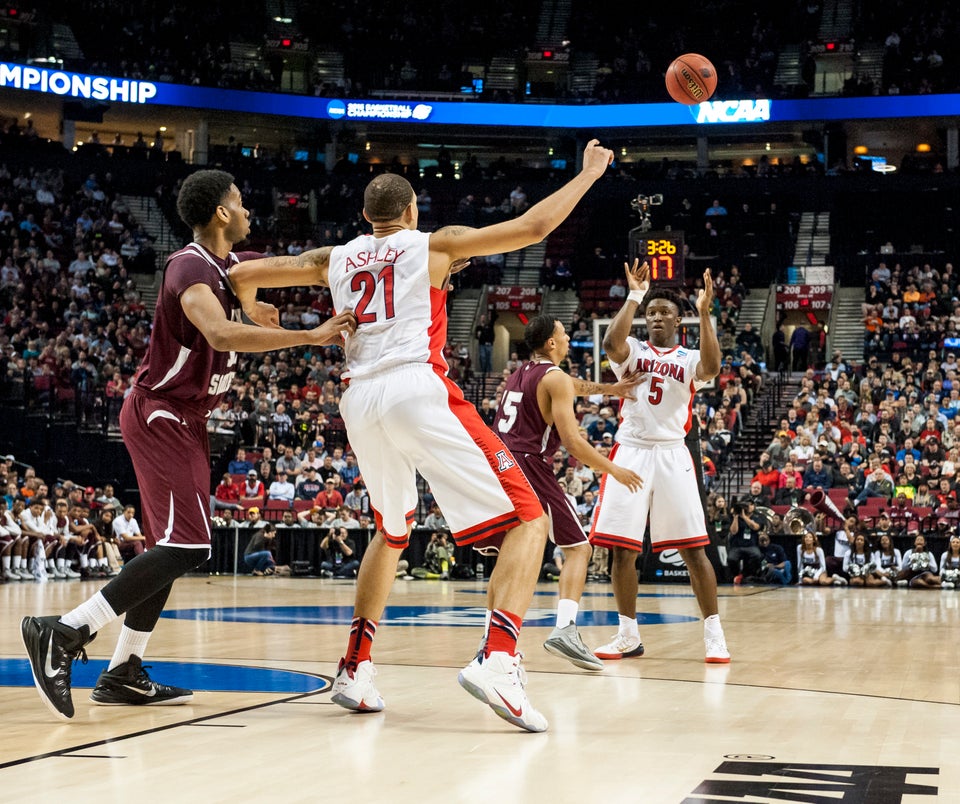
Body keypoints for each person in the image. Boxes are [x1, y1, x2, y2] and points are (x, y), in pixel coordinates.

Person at [227, 138, 617, 733]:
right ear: (411, 213)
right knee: (530, 518)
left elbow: (243, 274)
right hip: (416, 386)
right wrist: (590, 173)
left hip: (359, 399)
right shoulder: (434, 244)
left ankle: (355, 670)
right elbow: (535, 225)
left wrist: (258, 315)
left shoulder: (334, 256)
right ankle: (500, 659)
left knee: (391, 529)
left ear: (366, 218)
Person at [20, 168, 358, 720]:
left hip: (186, 420)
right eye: (241, 202)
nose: (249, 211)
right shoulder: (190, 265)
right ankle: (63, 632)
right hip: (161, 412)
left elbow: (310, 262)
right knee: (190, 547)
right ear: (222, 212)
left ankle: (125, 669)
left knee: (168, 552)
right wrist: (308, 334)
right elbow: (220, 335)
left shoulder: (228, 270)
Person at [589, 259, 731, 663]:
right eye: (651, 313)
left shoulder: (688, 358)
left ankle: (714, 635)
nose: (655, 318)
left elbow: (712, 367)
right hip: (631, 450)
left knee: (694, 550)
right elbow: (611, 345)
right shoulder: (632, 351)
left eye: (663, 312)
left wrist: (705, 314)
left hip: (672, 452)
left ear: (677, 321)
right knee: (621, 549)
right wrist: (635, 295)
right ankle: (627, 634)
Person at [493, 314, 642, 671]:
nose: (567, 339)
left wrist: (611, 389)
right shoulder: (554, 377)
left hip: (499, 463)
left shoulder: (520, 373)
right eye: (563, 334)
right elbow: (573, 442)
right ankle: (565, 628)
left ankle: (492, 639)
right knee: (578, 548)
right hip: (529, 465)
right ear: (551, 343)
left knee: (509, 556)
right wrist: (614, 469)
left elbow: (569, 385)